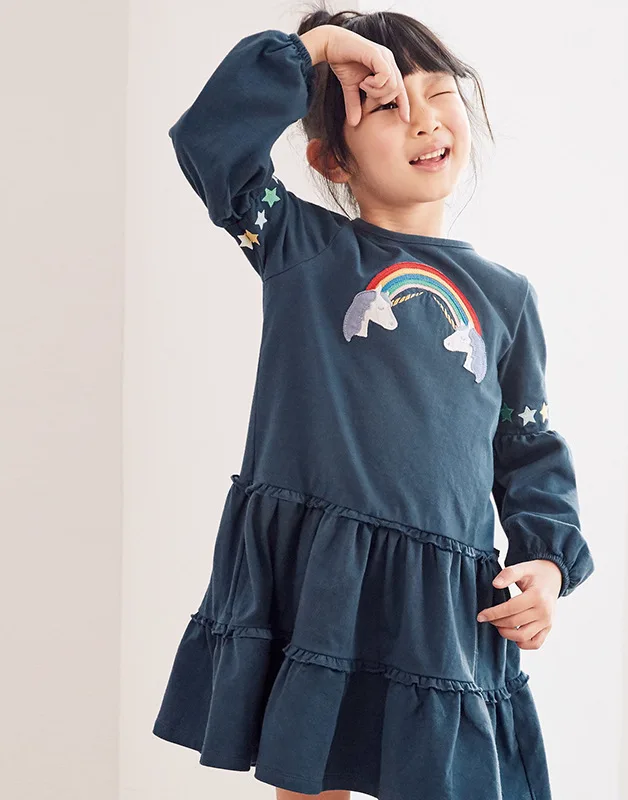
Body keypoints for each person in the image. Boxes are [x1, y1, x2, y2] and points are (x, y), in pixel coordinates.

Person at [152, 7, 595, 800]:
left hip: (443, 601)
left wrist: (547, 562)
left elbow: (526, 448)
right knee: (309, 775)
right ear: (333, 158)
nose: (424, 120)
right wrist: (315, 51)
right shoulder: (300, 247)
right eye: (388, 106)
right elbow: (210, 142)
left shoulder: (507, 298)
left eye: (438, 93)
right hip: (321, 577)